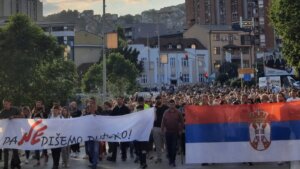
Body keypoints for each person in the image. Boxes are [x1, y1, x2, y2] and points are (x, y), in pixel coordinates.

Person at [0, 98, 22, 169]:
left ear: (10, 103)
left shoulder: (16, 110)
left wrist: (14, 117)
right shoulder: (2, 112)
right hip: (6, 134)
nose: (5, 105)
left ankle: (16, 164)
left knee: (15, 150)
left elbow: (22, 117)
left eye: (6, 104)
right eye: (4, 104)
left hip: (15, 133)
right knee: (5, 150)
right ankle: (5, 166)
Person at [107, 96, 131, 162]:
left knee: (123, 143)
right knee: (114, 143)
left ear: (122, 100)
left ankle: (124, 156)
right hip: (116, 128)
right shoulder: (115, 108)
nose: (118, 101)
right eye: (117, 100)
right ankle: (113, 157)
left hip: (123, 128)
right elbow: (111, 116)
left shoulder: (126, 108)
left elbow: (129, 117)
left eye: (120, 100)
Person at [161, 99, 184, 167]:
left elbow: (182, 122)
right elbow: (163, 121)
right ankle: (170, 160)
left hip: (175, 132)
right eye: (170, 104)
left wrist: (181, 130)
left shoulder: (178, 112)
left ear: (174, 104)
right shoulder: (166, 112)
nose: (171, 105)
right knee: (169, 147)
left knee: (173, 147)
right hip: (167, 132)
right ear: (168, 105)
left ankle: (173, 161)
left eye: (173, 104)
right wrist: (162, 129)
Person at [134, 96, 149, 169]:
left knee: (143, 150)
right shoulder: (135, 117)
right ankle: (141, 162)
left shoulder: (146, 116)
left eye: (141, 110)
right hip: (137, 137)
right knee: (139, 150)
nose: (139, 111)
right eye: (138, 110)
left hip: (144, 136)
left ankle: (144, 163)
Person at [152, 96, 168, 163]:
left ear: (162, 100)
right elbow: (153, 119)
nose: (158, 100)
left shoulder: (166, 108)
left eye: (159, 99)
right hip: (156, 128)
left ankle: (168, 155)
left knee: (167, 143)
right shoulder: (153, 108)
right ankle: (159, 157)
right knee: (157, 144)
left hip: (165, 128)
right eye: (157, 99)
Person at [86, 97, 101, 169]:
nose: (91, 104)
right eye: (90, 102)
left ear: (95, 104)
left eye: (92, 102)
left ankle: (94, 163)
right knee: (89, 149)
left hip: (96, 135)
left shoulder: (98, 113)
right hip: (89, 134)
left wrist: (96, 117)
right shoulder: (87, 113)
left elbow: (102, 122)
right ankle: (94, 161)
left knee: (95, 150)